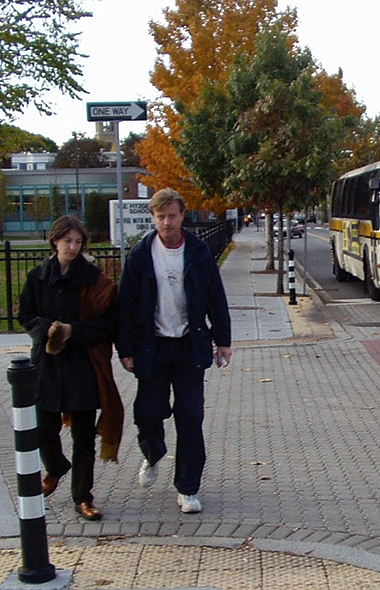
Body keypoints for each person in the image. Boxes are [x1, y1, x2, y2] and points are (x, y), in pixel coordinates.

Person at [116, 188, 232, 514]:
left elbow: (216, 298)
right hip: (151, 347)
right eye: (160, 216)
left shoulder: (198, 253)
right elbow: (125, 306)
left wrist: (223, 341)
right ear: (153, 218)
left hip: (188, 345)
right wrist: (125, 349)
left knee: (191, 417)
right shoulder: (140, 256)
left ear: (183, 216)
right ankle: (152, 454)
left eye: (172, 215)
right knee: (148, 414)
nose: (167, 222)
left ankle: (188, 487)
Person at [17, 215, 123, 522]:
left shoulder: (93, 280)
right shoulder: (38, 277)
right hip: (47, 365)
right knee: (44, 430)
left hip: (82, 366)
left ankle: (82, 497)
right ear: (55, 241)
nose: (73, 247)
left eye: (78, 242)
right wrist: (48, 328)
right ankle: (56, 467)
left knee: (83, 437)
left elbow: (107, 323)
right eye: (67, 241)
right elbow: (25, 315)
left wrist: (73, 331)